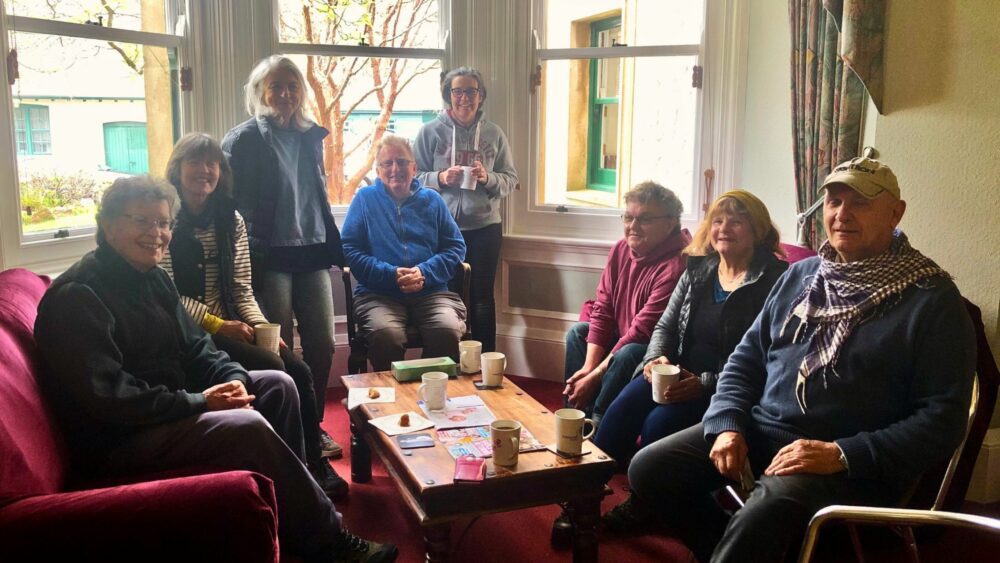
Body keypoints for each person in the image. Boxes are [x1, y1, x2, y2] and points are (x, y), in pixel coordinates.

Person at [621, 158, 976, 562]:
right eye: (834, 201)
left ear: (896, 212)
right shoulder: (803, 275)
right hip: (763, 430)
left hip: (851, 462)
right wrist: (727, 424)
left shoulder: (931, 298)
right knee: (649, 469)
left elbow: (942, 419)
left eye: (860, 203)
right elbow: (746, 360)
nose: (842, 215)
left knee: (769, 506)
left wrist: (842, 454)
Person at [33, 176, 397, 563]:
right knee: (248, 427)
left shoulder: (152, 277)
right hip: (119, 437)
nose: (156, 234)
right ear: (106, 225)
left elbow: (197, 347)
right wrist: (199, 402)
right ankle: (328, 541)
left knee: (277, 384)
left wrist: (233, 380)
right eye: (141, 221)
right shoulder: (78, 296)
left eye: (163, 223)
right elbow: (111, 398)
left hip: (164, 407)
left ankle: (291, 518)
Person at [159, 132, 348, 499]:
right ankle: (301, 471)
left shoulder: (231, 219)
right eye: (195, 162)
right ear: (177, 169)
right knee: (275, 368)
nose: (204, 170)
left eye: (212, 163)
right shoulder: (167, 220)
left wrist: (262, 326)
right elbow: (168, 294)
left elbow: (242, 288)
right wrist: (219, 325)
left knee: (299, 368)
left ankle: (313, 462)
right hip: (192, 332)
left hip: (234, 322)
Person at [594, 190, 787, 527]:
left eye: (737, 222)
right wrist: (655, 359)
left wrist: (705, 384)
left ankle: (645, 506)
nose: (724, 228)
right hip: (677, 372)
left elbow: (769, 358)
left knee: (658, 425)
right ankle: (583, 493)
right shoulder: (699, 268)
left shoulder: (776, 280)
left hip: (725, 390)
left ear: (757, 230)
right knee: (623, 405)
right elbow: (665, 325)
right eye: (718, 220)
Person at [222, 55, 344, 460]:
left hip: (311, 251)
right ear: (260, 93)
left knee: (323, 343)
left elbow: (315, 193)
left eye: (292, 85)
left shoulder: (312, 135)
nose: (285, 94)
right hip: (269, 255)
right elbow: (228, 202)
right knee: (279, 346)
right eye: (276, 86)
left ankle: (315, 424)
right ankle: (288, 430)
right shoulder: (243, 140)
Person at [562, 182, 691, 427]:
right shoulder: (620, 249)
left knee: (629, 352)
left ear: (671, 222)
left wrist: (595, 376)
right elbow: (603, 309)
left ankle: (600, 424)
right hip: (622, 343)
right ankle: (572, 421)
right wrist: (590, 368)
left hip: (656, 357)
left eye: (644, 219)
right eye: (628, 217)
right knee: (578, 333)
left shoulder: (677, 265)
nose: (633, 226)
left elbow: (642, 332)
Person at [341, 135, 467, 371]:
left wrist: (424, 272)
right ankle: (390, 403)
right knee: (386, 337)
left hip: (432, 292)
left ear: (414, 167)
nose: (395, 169)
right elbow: (349, 249)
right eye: (387, 163)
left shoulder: (433, 200)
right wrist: (391, 274)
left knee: (446, 332)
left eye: (401, 161)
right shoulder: (364, 200)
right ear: (378, 170)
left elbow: (456, 246)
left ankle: (432, 397)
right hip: (378, 293)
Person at [414, 67, 518, 353]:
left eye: (470, 91)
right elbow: (411, 179)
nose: (464, 98)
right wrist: (439, 177)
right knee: (446, 297)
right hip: (442, 229)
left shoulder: (494, 134)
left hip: (485, 228)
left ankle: (487, 365)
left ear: (481, 96)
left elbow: (511, 179)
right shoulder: (430, 132)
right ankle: (448, 361)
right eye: (457, 91)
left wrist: (488, 178)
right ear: (448, 95)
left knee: (482, 298)